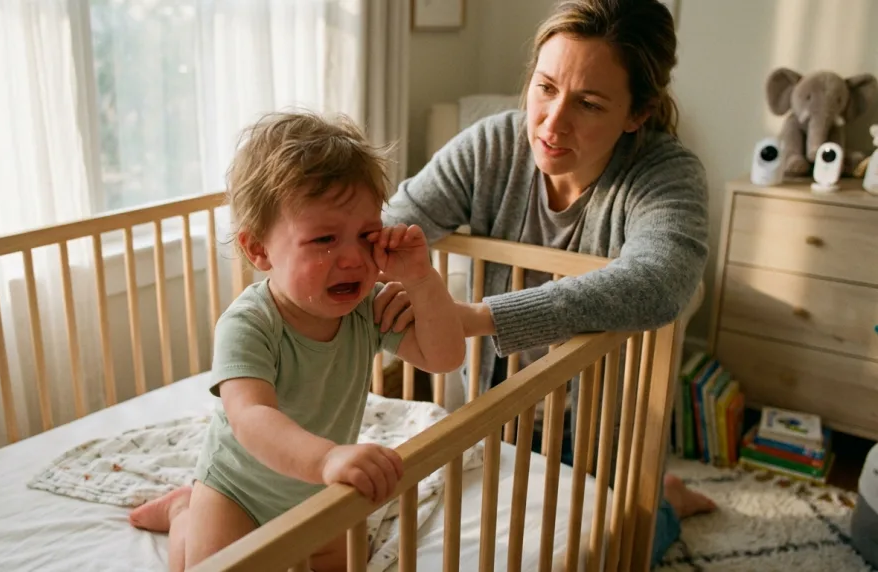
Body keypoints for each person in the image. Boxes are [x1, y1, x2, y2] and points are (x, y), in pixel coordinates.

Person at [372, 0, 715, 565]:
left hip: (597, 426)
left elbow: (661, 282)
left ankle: (666, 502)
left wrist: (480, 316)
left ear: (637, 113)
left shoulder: (664, 173)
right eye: (546, 88)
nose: (552, 124)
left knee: (615, 548)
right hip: (496, 404)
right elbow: (394, 224)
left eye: (589, 104)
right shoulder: (491, 147)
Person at [127, 111, 466, 572]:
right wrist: (328, 458)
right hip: (238, 493)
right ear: (259, 250)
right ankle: (185, 512)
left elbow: (444, 357)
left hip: (319, 491)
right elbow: (251, 417)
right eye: (324, 239)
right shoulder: (249, 324)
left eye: (366, 235)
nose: (353, 258)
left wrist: (422, 280)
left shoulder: (366, 308)